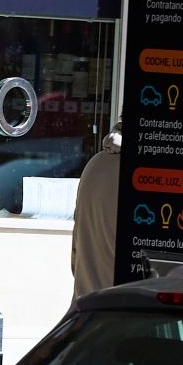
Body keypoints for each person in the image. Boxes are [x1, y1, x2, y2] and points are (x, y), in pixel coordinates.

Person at [71, 119, 121, 298]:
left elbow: (76, 251)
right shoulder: (146, 177)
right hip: (124, 314)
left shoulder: (95, 164)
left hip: (86, 311)